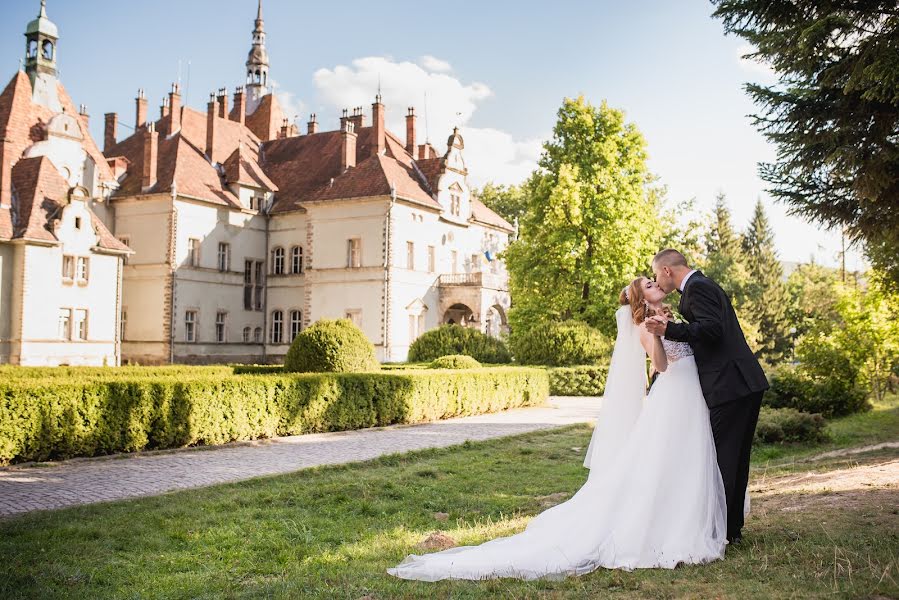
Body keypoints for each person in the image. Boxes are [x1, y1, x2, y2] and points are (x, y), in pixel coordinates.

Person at [386, 277, 727, 581]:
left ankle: (683, 522)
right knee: (665, 458)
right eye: (649, 284)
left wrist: (670, 327)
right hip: (672, 394)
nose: (656, 284)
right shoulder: (644, 325)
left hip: (690, 393)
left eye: (654, 282)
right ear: (641, 298)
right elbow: (661, 366)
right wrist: (657, 336)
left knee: (685, 459)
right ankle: (666, 532)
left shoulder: (670, 314)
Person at [646, 249, 768, 544]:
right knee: (734, 458)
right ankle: (730, 529)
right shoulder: (700, 286)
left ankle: (722, 530)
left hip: (731, 384)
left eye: (655, 276)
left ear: (666, 270)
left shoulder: (697, 288)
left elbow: (712, 330)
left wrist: (670, 329)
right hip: (740, 383)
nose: (657, 282)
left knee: (723, 458)